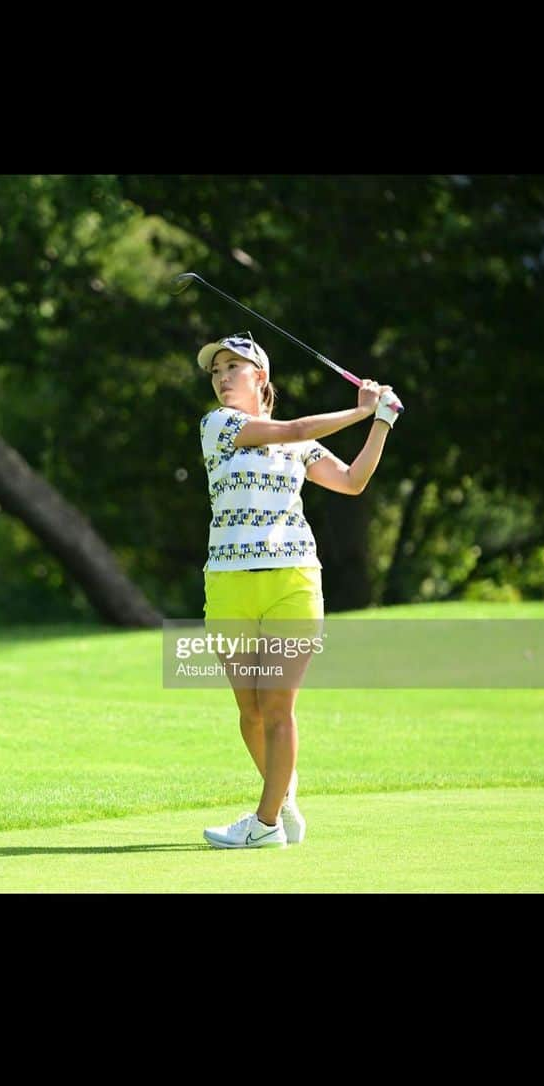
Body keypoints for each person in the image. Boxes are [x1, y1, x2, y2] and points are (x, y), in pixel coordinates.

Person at [198, 332, 400, 849]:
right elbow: (289, 427)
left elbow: (353, 481)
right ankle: (283, 801)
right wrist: (359, 411)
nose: (221, 378)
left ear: (260, 377)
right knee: (249, 713)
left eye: (232, 368)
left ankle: (265, 825)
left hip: (292, 580)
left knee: (278, 706)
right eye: (216, 371)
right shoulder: (218, 425)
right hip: (228, 585)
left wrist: (381, 421)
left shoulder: (301, 448)